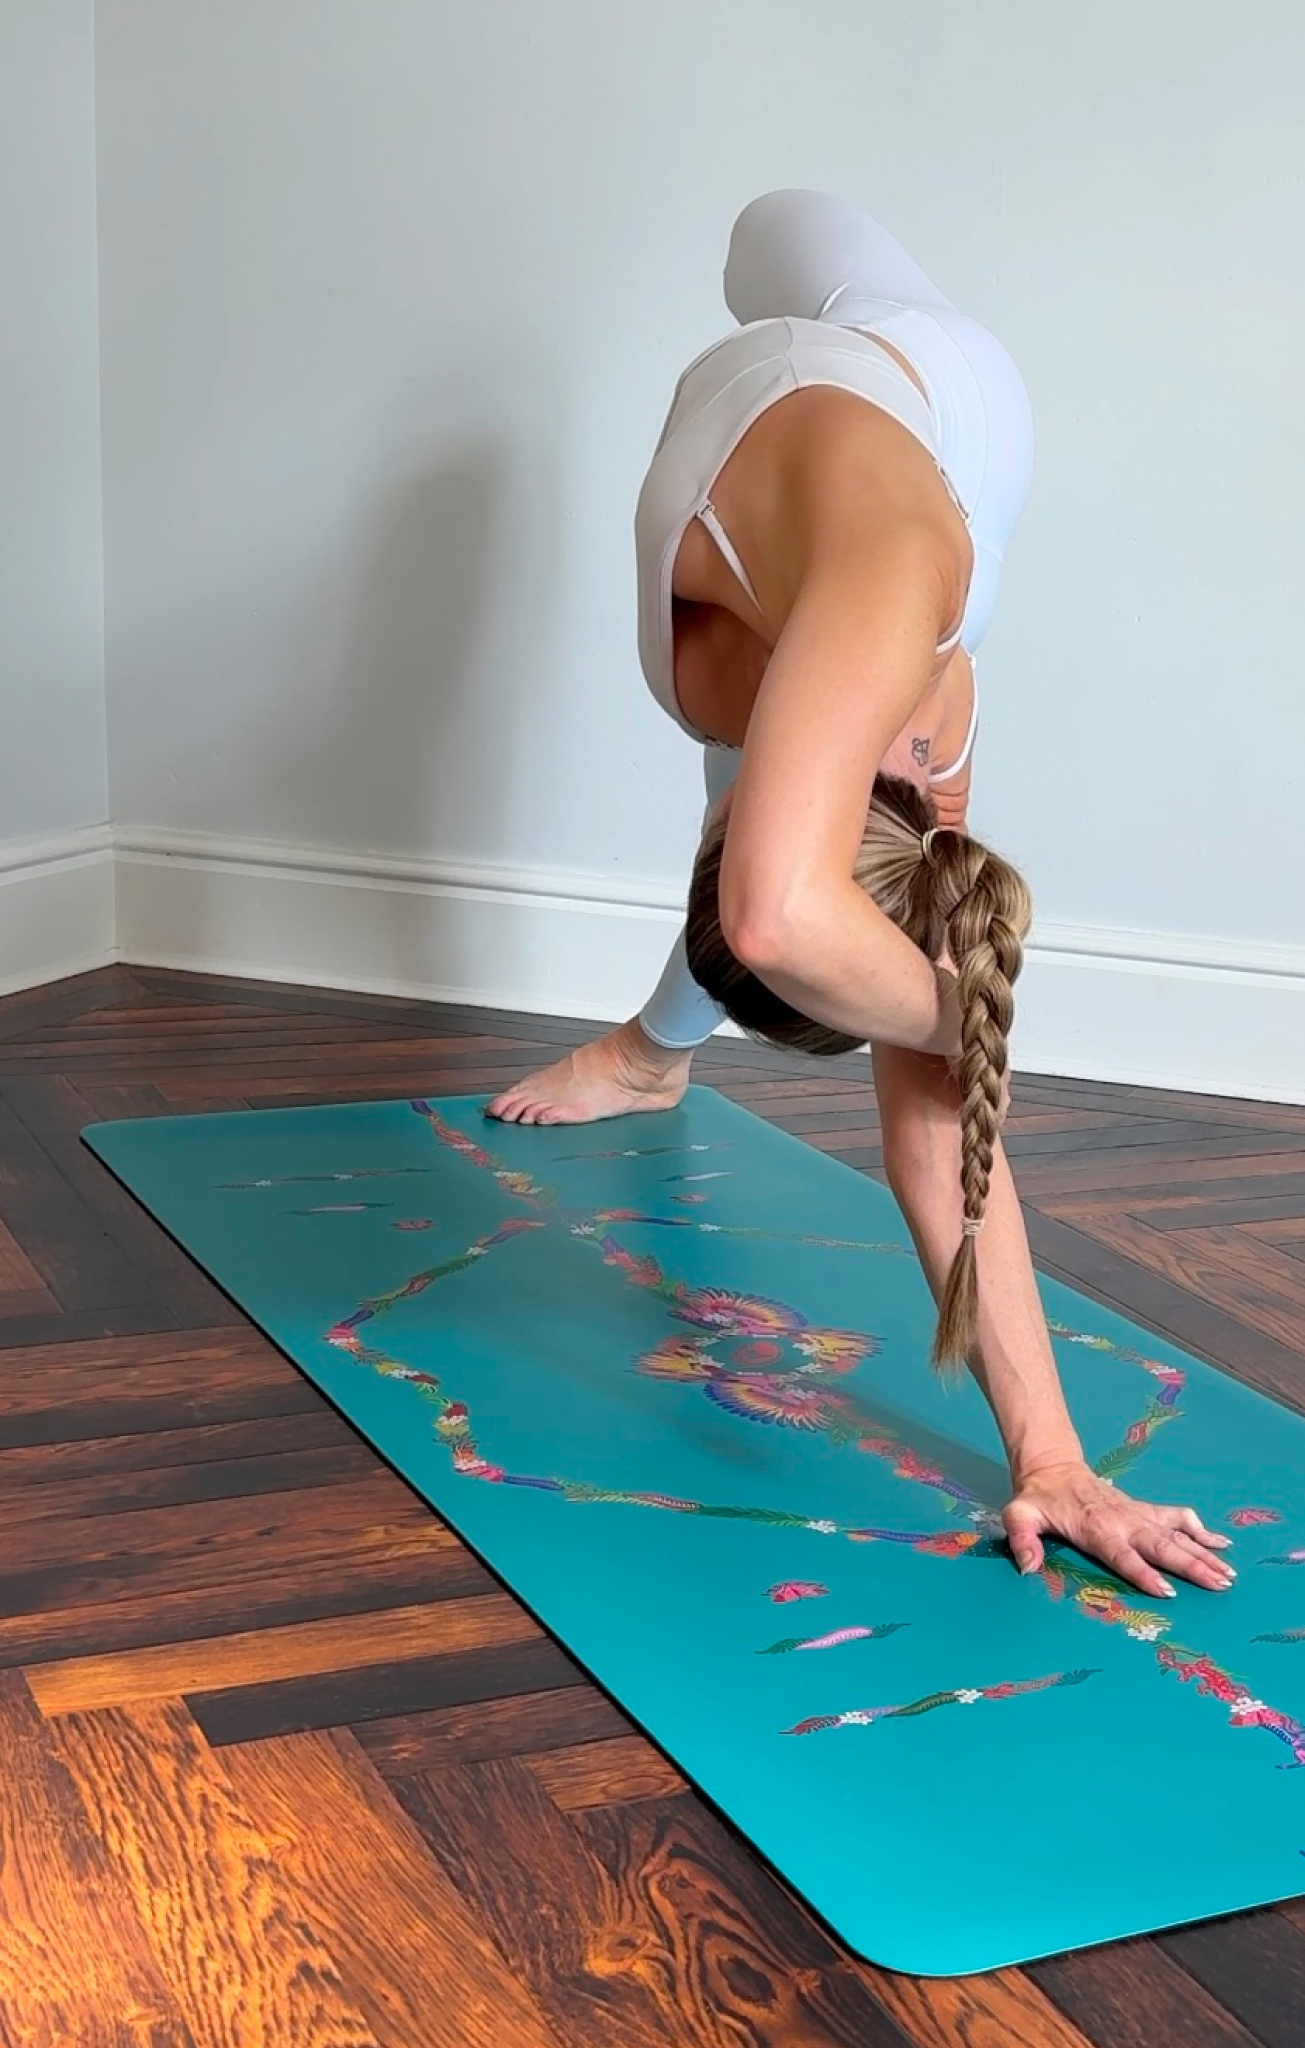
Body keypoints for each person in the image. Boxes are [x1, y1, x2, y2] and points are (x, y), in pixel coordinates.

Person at [487, 190, 1232, 1601]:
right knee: (769, 225)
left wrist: (1056, 1459)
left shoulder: (794, 707)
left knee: (760, 231)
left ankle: (656, 1055)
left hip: (853, 434)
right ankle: (656, 1055)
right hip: (921, 408)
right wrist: (962, 1024)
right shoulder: (919, 668)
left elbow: (915, 1114)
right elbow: (782, 940)